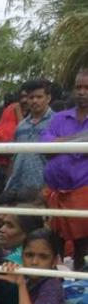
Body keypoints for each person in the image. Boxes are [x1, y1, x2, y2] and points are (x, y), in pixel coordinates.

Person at [40, 68, 88, 270]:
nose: (82, 92)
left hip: (83, 194)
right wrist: (77, 140)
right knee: (55, 244)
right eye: (78, 87)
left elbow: (54, 145)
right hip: (56, 194)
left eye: (87, 87)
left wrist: (60, 144)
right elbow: (45, 145)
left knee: (82, 247)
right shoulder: (59, 118)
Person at [5, 79, 54, 195]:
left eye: (39, 97)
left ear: (48, 98)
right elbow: (14, 157)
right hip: (17, 188)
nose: (34, 101)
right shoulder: (21, 126)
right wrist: (8, 185)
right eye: (31, 97)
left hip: (44, 190)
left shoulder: (57, 122)